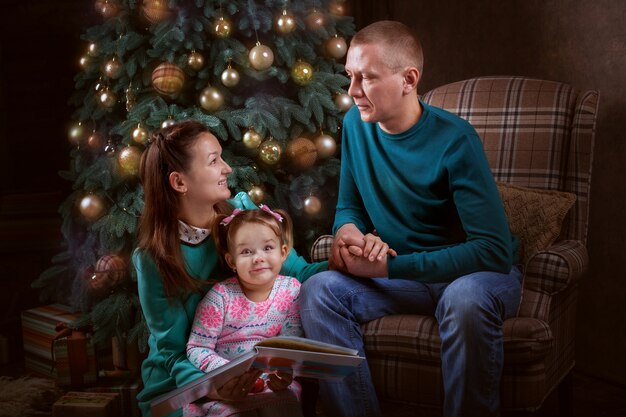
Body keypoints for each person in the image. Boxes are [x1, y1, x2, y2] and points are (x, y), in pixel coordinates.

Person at [299, 20, 523, 417]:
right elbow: (349, 204)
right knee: (318, 291)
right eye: (350, 76)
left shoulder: (457, 141)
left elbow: (493, 252)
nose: (352, 92)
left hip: (471, 276)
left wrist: (389, 265)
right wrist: (347, 231)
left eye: (366, 78)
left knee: (465, 300)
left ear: (408, 79)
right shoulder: (355, 125)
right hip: (403, 278)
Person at [133, 120, 326, 417]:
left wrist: (340, 261)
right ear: (179, 182)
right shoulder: (153, 258)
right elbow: (172, 354)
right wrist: (215, 386)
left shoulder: (242, 213)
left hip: (251, 376)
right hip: (183, 383)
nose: (227, 169)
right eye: (214, 161)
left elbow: (298, 273)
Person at [185, 206, 303, 417]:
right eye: (246, 251)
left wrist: (285, 372)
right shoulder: (220, 296)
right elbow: (197, 347)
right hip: (228, 386)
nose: (258, 257)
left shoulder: (292, 290)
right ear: (232, 261)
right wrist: (227, 372)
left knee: (285, 406)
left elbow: (291, 343)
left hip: (271, 385)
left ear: (283, 252)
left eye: (267, 248)